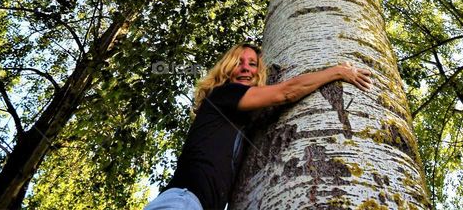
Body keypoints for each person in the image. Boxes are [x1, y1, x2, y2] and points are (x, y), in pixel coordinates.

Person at [143, 42, 373, 210]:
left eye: (253, 64)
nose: (246, 68)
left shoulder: (239, 123)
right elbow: (286, 92)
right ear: (227, 69)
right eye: (238, 63)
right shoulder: (224, 94)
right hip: (183, 201)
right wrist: (339, 71)